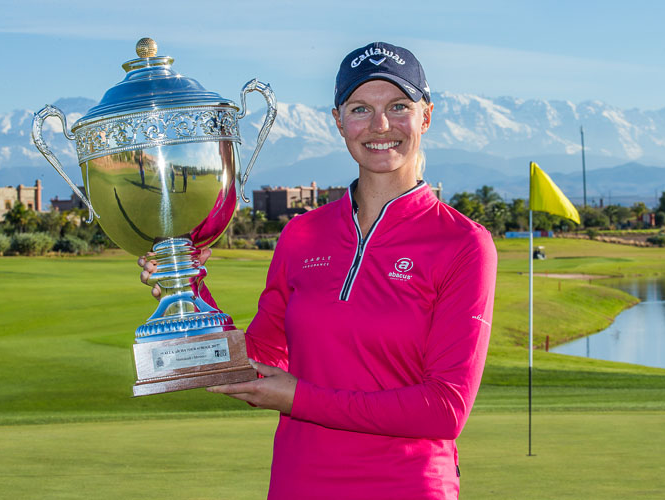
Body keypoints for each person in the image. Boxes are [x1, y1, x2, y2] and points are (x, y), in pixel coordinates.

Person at [140, 41, 497, 500]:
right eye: (361, 108)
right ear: (338, 122)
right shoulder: (302, 234)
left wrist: (300, 399)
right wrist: (186, 287)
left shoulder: (463, 243)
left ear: (425, 117)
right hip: (300, 483)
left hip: (408, 486)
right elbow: (254, 364)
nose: (380, 126)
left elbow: (445, 409)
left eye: (399, 107)